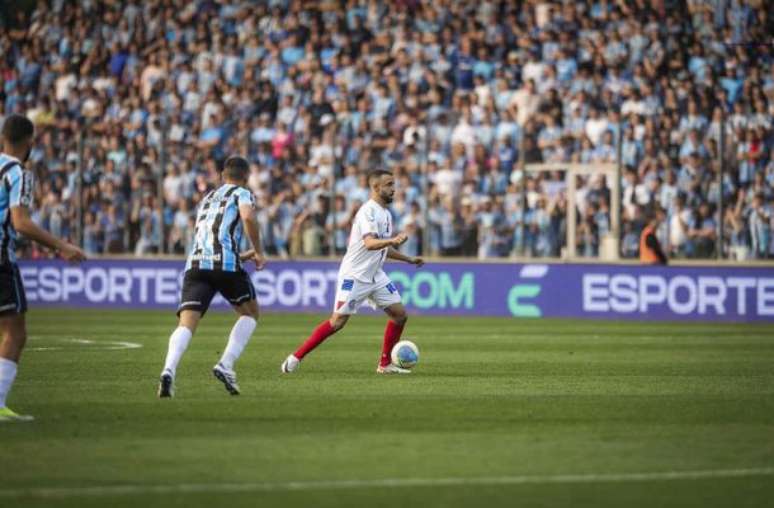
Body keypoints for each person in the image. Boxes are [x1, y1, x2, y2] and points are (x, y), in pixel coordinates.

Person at [281, 169, 424, 374]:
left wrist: (408, 259)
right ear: (376, 187)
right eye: (390, 185)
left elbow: (383, 246)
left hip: (375, 274)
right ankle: (295, 358)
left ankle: (385, 365)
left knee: (399, 315)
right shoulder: (368, 211)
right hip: (355, 276)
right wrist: (392, 240)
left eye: (394, 184)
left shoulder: (385, 213)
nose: (394, 189)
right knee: (337, 322)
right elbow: (369, 243)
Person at [0, 114, 87, 422]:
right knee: (15, 331)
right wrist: (61, 246)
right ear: (30, 143)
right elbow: (20, 222)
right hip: (0, 260)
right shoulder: (18, 173)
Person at [158, 156, 266, 398]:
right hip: (225, 263)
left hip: (195, 264)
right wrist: (258, 251)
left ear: (221, 176)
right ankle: (225, 365)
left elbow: (214, 238)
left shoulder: (207, 198)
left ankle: (169, 370)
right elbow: (248, 217)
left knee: (186, 323)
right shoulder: (243, 193)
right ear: (246, 177)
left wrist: (244, 255)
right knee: (250, 313)